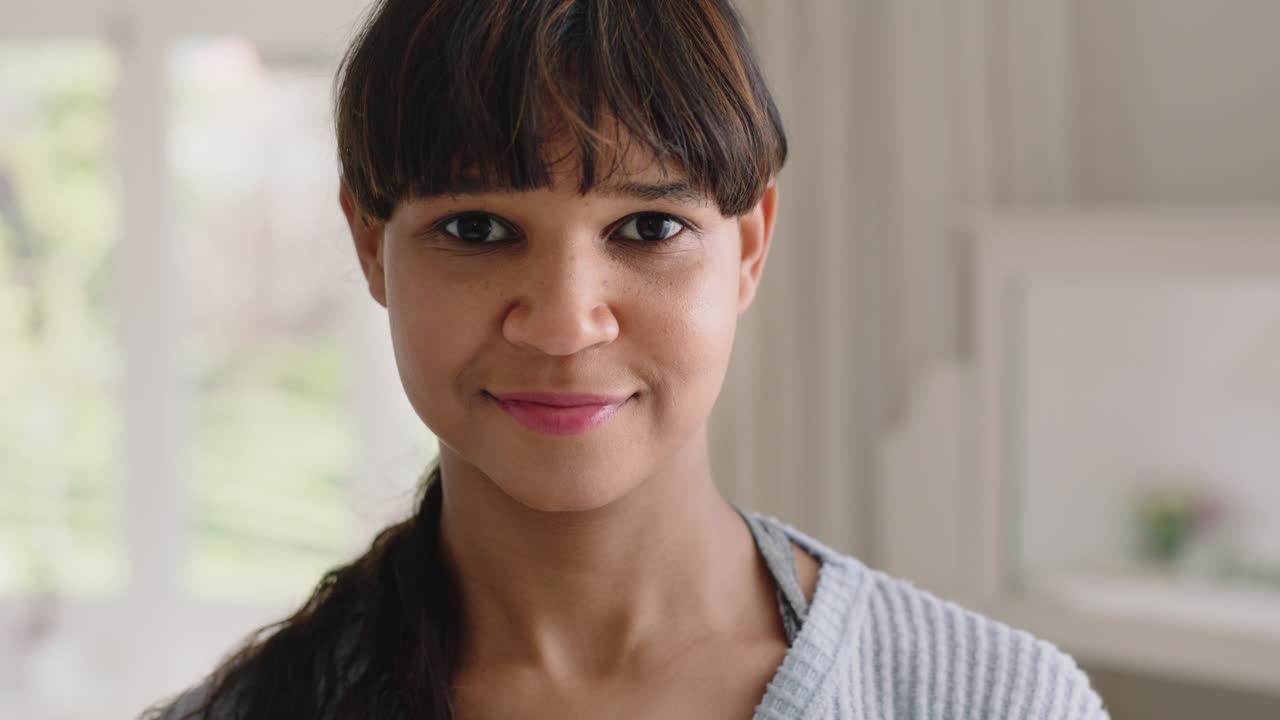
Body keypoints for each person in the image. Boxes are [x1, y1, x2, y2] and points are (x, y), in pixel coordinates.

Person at [145, 0, 1109, 718]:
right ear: (370, 246)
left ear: (750, 245)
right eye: (477, 228)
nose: (565, 324)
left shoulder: (997, 703)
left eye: (648, 226)